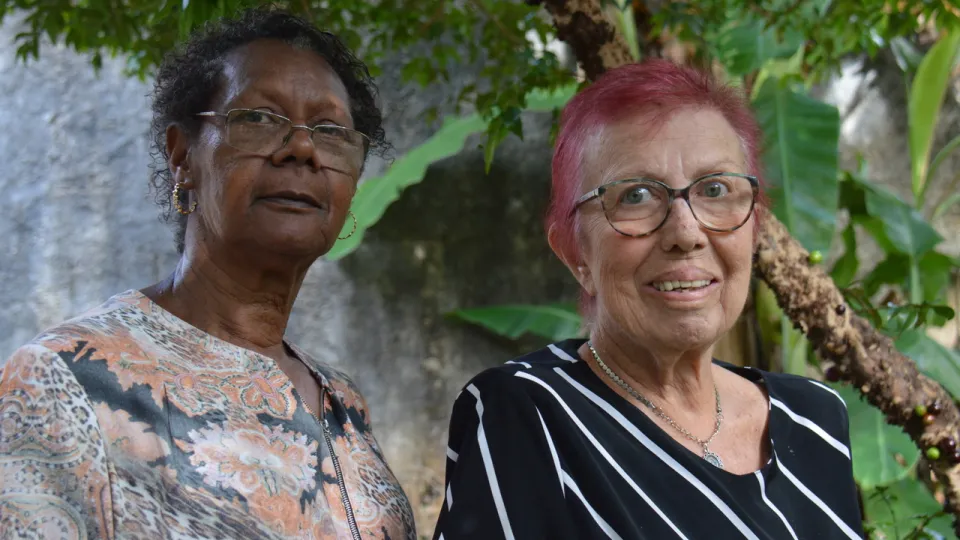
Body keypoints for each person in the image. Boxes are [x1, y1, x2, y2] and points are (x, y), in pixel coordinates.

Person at [0, 7, 416, 540]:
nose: (303, 149)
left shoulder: (344, 401)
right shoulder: (66, 379)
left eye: (331, 131)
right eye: (259, 119)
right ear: (182, 157)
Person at [433, 60, 863, 540]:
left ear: (755, 224)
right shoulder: (528, 414)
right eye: (636, 195)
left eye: (716, 189)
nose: (686, 232)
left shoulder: (816, 419)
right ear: (575, 252)